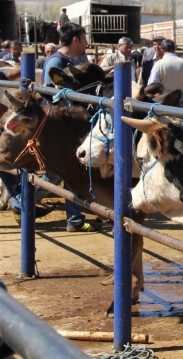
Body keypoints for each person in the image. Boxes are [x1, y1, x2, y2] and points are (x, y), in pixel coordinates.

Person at [41, 22, 100, 232]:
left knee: (70, 171)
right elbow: (51, 96)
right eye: (84, 38)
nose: (86, 42)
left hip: (70, 125)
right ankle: (21, 201)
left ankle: (76, 217)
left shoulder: (70, 61)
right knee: (59, 173)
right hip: (61, 128)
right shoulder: (56, 62)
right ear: (75, 39)